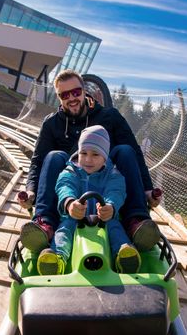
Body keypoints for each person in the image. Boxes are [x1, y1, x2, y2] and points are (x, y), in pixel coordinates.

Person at [18, 69, 161, 253]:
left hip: (105, 184)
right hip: (70, 187)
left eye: (76, 92)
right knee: (54, 156)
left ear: (84, 91)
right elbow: (38, 162)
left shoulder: (110, 116)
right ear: (59, 97)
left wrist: (148, 190)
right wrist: (30, 191)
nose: (72, 98)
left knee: (125, 150)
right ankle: (45, 223)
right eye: (65, 94)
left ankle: (136, 221)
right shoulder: (52, 124)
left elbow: (135, 153)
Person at [37, 125, 141, 275]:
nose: (87, 159)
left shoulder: (112, 174)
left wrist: (110, 206)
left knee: (115, 228)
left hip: (103, 217)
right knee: (64, 229)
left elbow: (116, 191)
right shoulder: (71, 170)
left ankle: (123, 256)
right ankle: (57, 258)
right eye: (83, 153)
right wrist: (70, 202)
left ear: (105, 156)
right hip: (75, 216)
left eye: (95, 154)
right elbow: (64, 185)